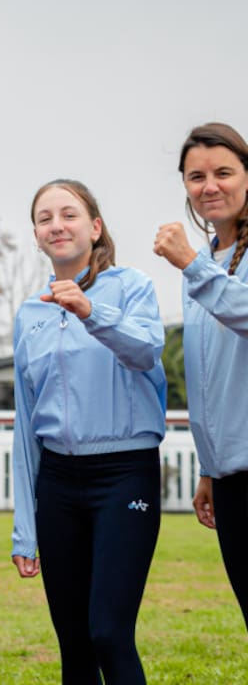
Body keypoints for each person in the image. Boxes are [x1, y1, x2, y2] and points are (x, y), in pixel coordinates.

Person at [12, 179, 165, 684]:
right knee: (74, 644)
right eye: (45, 218)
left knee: (108, 632)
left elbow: (145, 351)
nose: (57, 224)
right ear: (36, 235)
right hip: (58, 483)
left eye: (69, 214)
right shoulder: (30, 314)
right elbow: (25, 425)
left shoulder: (132, 288)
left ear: (95, 228)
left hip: (124, 474)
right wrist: (24, 527)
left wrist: (89, 310)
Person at [154, 122, 248, 629]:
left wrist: (190, 263)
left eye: (224, 172)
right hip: (232, 476)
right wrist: (210, 467)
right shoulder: (208, 261)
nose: (210, 185)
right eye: (197, 176)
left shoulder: (198, 267)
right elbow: (208, 376)